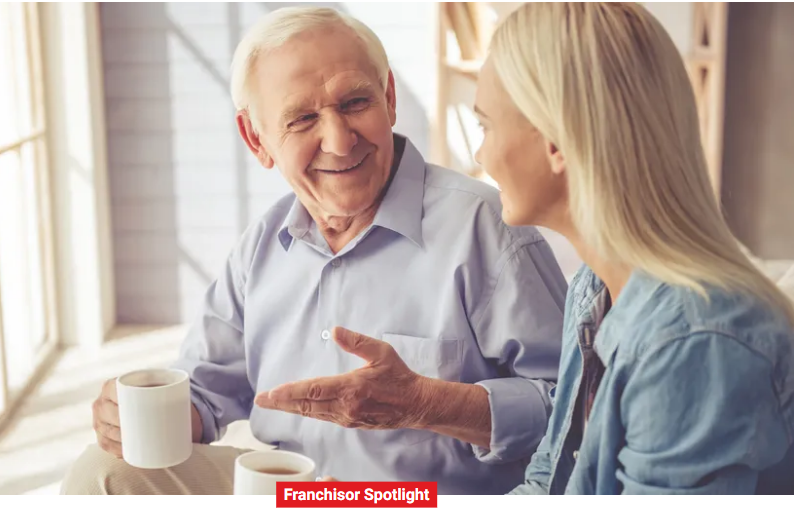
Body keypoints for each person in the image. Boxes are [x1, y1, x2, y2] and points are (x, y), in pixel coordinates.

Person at [60, 6, 568, 495]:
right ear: (255, 138)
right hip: (291, 492)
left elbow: (576, 412)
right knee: (103, 471)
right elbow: (206, 390)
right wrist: (138, 421)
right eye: (302, 118)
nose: (340, 141)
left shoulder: (488, 228)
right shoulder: (262, 244)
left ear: (389, 98)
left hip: (413, 498)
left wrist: (426, 404)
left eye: (355, 103)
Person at [324, 1, 794, 494]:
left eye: (485, 125)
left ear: (555, 141)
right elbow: (551, 482)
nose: (481, 153)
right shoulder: (595, 289)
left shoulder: (694, 344)